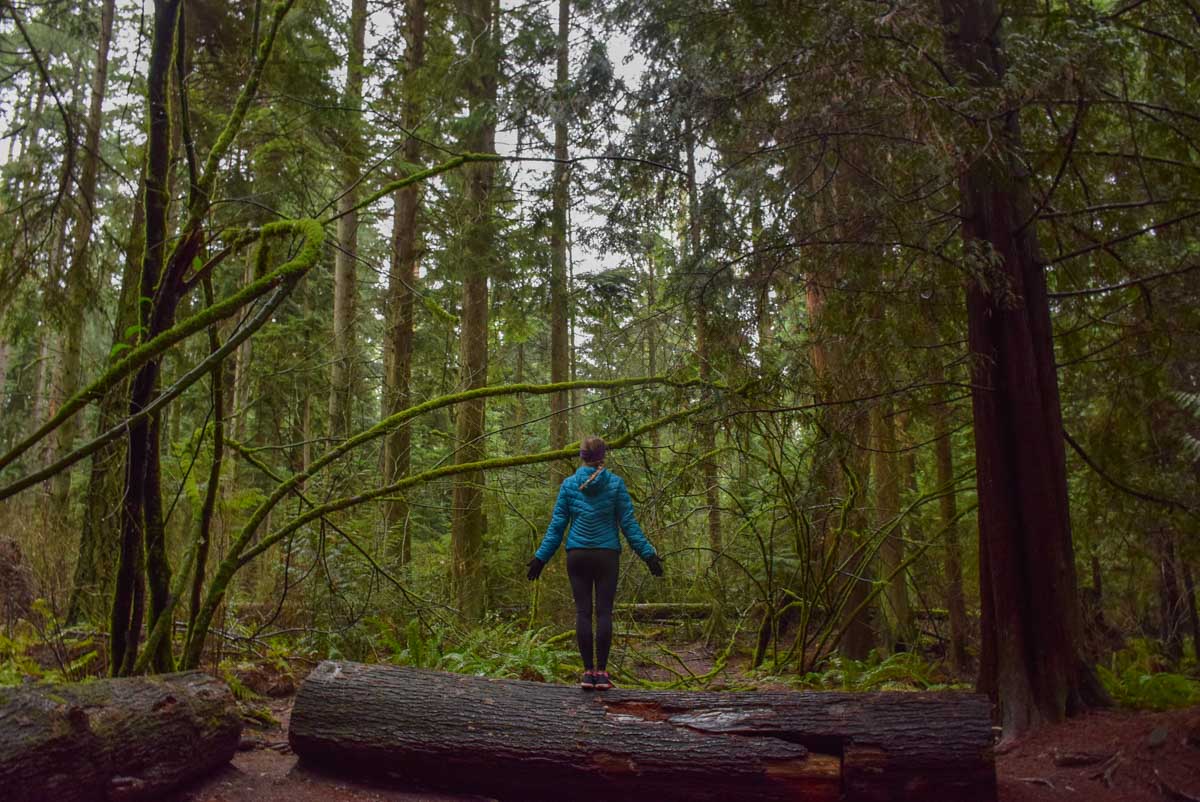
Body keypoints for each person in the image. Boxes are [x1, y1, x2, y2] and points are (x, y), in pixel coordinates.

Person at [527, 435, 663, 690]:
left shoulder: (569, 485)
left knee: (583, 612)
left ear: (582, 456)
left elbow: (557, 527)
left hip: (577, 555)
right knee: (603, 613)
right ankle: (602, 674)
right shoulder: (615, 484)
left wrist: (540, 558)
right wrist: (649, 555)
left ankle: (587, 673)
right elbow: (629, 525)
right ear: (603, 456)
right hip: (606, 555)